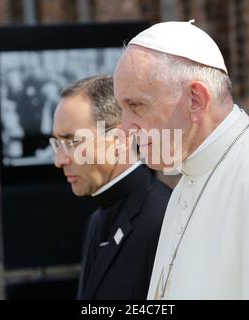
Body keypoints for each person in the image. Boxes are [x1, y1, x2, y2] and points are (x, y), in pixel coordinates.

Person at [113, 21, 249, 299]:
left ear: (195, 100)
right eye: (122, 109)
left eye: (137, 106)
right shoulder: (189, 178)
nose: (126, 128)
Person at [51, 75, 171, 300]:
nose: (59, 160)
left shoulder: (165, 220)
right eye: (57, 144)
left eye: (72, 142)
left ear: (119, 140)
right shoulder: (97, 220)